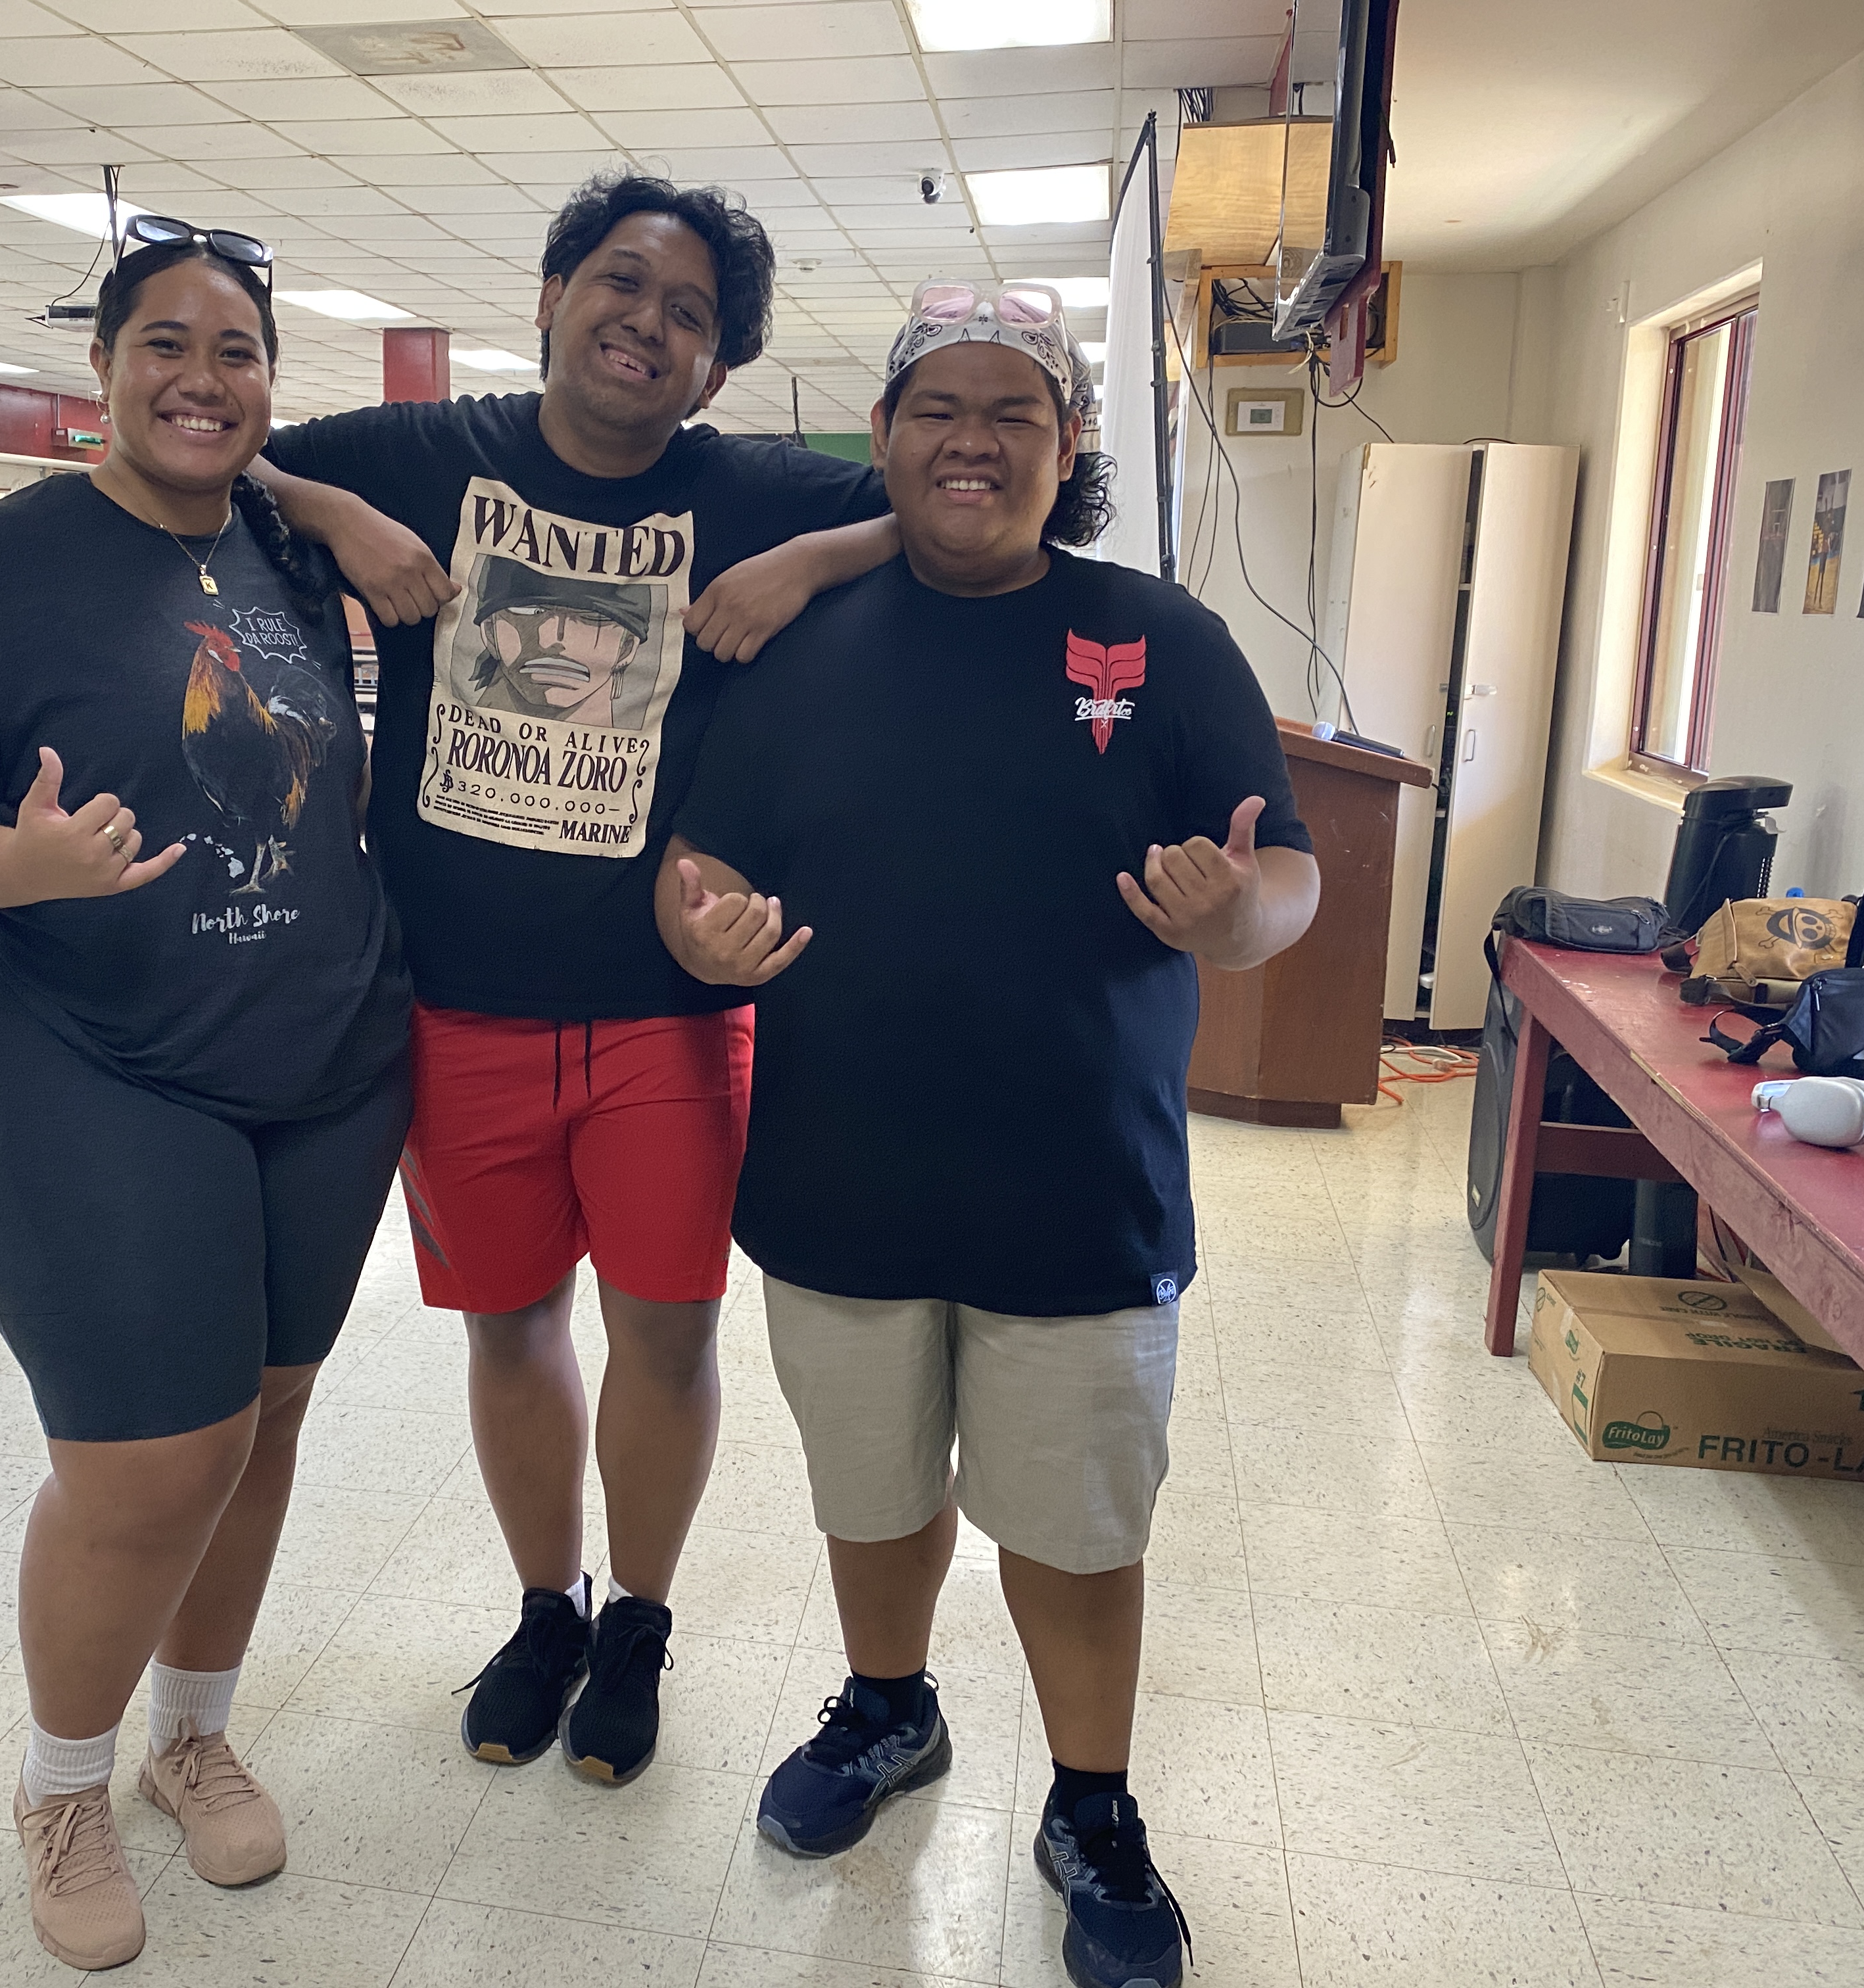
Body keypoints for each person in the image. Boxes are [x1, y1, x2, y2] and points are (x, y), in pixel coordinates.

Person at [657, 283, 1320, 1988]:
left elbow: (1285, 881)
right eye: (937, 408)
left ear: (1069, 444)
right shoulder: (799, 646)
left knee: (1079, 1531)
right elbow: (698, 866)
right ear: (882, 441)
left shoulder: (1159, 638)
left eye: (1013, 411)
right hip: (838, 1180)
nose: (972, 438)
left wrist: (1233, 912)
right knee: (871, 1500)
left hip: (1076, 1190)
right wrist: (703, 926)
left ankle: (1092, 1807)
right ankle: (890, 1713)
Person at [251, 170, 899, 1787]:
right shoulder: (413, 455)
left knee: (665, 1334)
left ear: (720, 367)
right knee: (508, 1329)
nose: (648, 325)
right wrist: (333, 522)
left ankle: (643, 1624)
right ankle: (549, 1608)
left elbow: (986, 503)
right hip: (456, 1008)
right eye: (621, 285)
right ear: (549, 296)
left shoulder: (752, 489)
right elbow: (208, 461)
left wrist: (812, 566)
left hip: (670, 1019)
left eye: (690, 316)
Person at [0, 220, 411, 1974]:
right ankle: (63, 1783)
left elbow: (282, 525)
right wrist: (15, 865)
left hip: (320, 1062)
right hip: (82, 1055)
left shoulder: (276, 539)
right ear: (100, 365)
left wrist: (331, 508)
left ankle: (192, 1733)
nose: (201, 378)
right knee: (148, 1458)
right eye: (164, 344)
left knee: (266, 1420)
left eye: (236, 351)